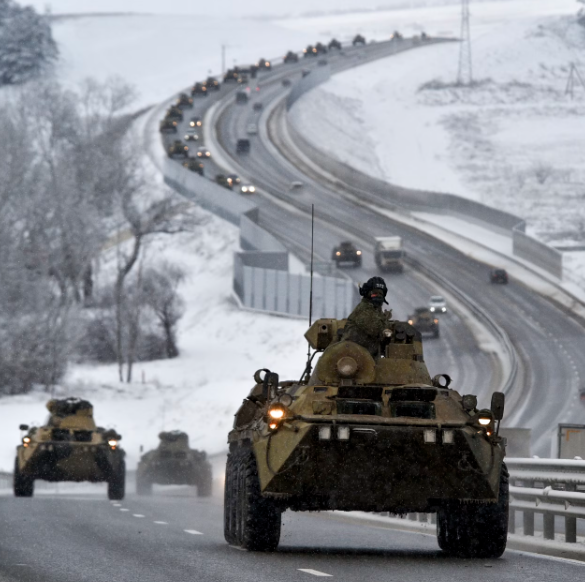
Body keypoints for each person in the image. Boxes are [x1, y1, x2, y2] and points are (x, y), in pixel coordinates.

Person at [341, 277, 392, 357]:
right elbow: (376, 330)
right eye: (375, 293)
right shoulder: (364, 310)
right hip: (353, 355)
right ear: (367, 293)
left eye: (381, 294)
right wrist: (385, 322)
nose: (378, 296)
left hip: (366, 355)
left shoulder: (375, 310)